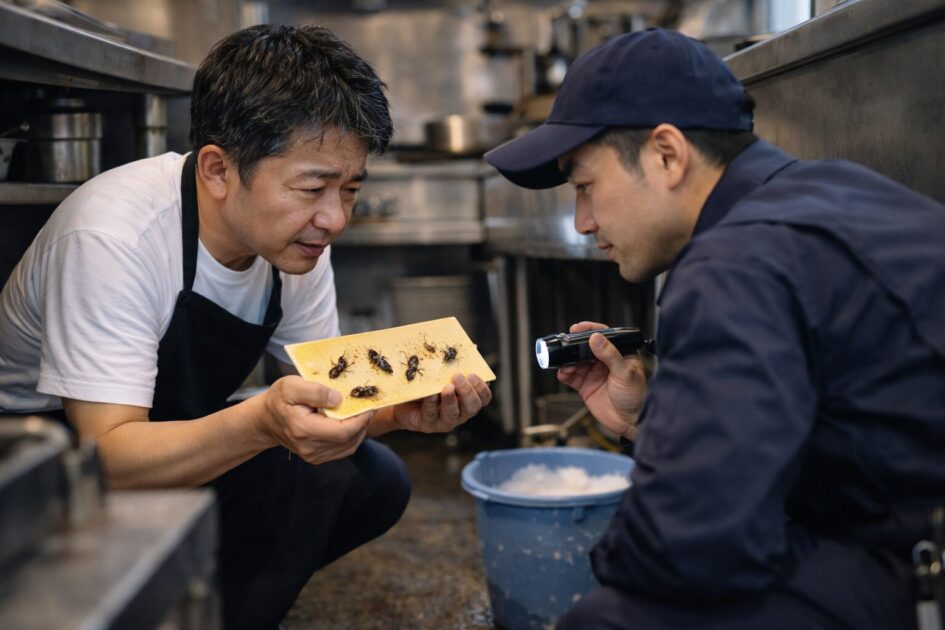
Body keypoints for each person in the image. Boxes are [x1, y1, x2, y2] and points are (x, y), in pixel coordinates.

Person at [0, 25, 492, 629]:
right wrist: (260, 422)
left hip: (165, 429)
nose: (335, 218)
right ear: (217, 169)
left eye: (351, 189)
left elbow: (328, 397)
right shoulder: (112, 238)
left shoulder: (299, 239)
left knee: (372, 479)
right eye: (312, 186)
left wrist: (402, 411)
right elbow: (109, 454)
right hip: (37, 470)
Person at [485, 28, 945, 629]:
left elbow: (686, 548)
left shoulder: (734, 263)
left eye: (585, 186)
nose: (583, 222)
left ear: (667, 155)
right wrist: (649, 423)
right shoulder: (822, 195)